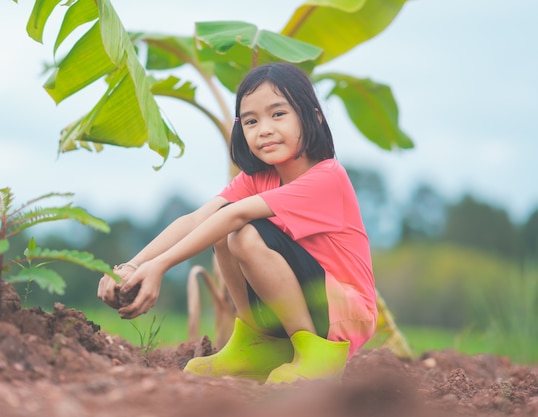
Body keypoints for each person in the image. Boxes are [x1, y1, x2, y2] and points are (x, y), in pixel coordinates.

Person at [97, 62, 377, 384]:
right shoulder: (258, 178)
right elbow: (196, 219)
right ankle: (257, 345)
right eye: (251, 121)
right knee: (223, 232)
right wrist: (133, 265)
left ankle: (316, 356)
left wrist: (160, 267)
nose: (264, 129)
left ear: (313, 116)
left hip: (346, 311)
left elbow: (235, 216)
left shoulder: (327, 177)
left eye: (278, 114)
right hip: (309, 299)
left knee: (243, 234)